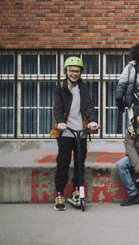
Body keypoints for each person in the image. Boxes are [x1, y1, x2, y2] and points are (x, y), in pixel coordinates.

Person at [50, 56, 99, 211]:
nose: (74, 73)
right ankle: (59, 194)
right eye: (71, 70)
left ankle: (77, 191)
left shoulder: (83, 87)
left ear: (81, 72)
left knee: (80, 163)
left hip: (81, 132)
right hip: (65, 132)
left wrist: (92, 121)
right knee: (63, 162)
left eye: (77, 71)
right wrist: (60, 122)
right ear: (66, 71)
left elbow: (89, 106)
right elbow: (57, 107)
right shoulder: (60, 88)